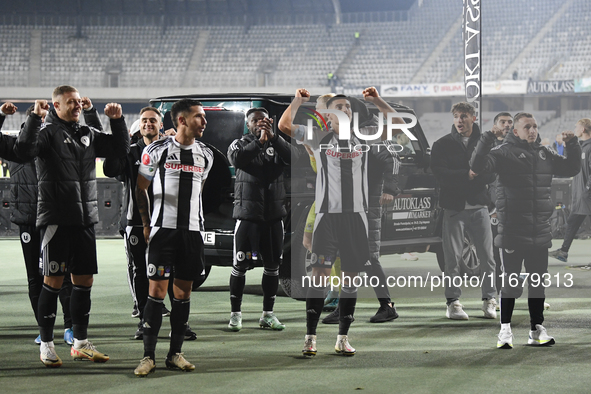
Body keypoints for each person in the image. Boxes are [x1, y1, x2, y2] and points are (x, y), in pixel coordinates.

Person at [279, 87, 403, 356]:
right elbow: (284, 125)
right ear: (328, 115)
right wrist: (299, 101)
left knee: (350, 279)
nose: (345, 110)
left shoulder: (365, 139)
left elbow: (399, 125)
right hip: (327, 219)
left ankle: (342, 338)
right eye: (339, 107)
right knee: (319, 278)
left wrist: (377, 101)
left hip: (356, 220)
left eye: (348, 107)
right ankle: (310, 337)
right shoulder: (317, 137)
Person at [14, 85, 130, 368]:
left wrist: (116, 121)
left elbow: (119, 149)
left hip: (84, 219)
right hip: (55, 220)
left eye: (79, 102)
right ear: (56, 105)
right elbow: (23, 150)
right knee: (52, 283)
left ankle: (80, 344)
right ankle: (47, 344)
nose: (77, 105)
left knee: (84, 282)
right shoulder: (46, 133)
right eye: (71, 102)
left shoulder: (86, 133)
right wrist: (33, 118)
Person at [470, 112, 581, 349]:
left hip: (540, 231)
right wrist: (488, 137)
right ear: (516, 131)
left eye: (535, 126)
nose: (532, 130)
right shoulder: (502, 153)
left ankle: (536, 330)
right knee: (510, 283)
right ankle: (505, 330)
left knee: (538, 283)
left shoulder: (545, 153)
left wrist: (571, 144)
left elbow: (571, 168)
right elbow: (477, 165)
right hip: (511, 230)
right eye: (527, 127)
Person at [7, 101, 101, 345]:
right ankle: (44, 328)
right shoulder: (19, 146)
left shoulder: (54, 142)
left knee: (64, 276)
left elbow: (96, 144)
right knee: (36, 278)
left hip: (54, 218)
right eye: (35, 122)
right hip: (29, 220)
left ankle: (70, 326)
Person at [134, 99, 213, 377]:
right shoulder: (156, 150)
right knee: (155, 293)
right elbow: (140, 187)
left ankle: (174, 354)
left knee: (183, 294)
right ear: (182, 120)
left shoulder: (206, 154)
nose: (204, 122)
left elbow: (198, 190)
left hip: (191, 233)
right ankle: (147, 357)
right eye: (199, 117)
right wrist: (146, 223)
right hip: (162, 232)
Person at [103, 107, 195, 340]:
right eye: (143, 121)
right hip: (136, 222)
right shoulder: (130, 152)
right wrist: (119, 143)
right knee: (141, 272)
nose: (147, 124)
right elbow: (110, 169)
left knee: (173, 273)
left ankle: (180, 324)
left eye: (152, 121)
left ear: (160, 125)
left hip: (167, 220)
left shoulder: (171, 150)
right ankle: (145, 321)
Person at [226, 107, 297, 332]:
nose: (260, 123)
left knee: (272, 267)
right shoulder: (239, 143)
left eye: (264, 120)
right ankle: (235, 314)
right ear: (248, 124)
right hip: (248, 217)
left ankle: (268, 315)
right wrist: (259, 142)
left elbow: (294, 158)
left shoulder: (277, 144)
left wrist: (274, 139)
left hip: (274, 217)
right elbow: (238, 160)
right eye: (256, 121)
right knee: (239, 266)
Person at [430, 102, 498, 320]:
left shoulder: (485, 142)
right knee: (452, 259)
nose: (460, 120)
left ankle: (489, 300)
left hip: (480, 207)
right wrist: (466, 175)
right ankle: (452, 302)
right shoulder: (441, 144)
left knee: (488, 258)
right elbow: (440, 175)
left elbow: (492, 173)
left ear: (473, 118)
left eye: (464, 116)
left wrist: (476, 175)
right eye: (457, 116)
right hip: (453, 208)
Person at [548, 118, 591, 263]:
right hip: (581, 196)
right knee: (572, 222)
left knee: (573, 222)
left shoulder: (589, 147)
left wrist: (587, 189)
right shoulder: (581, 147)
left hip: (586, 195)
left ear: (583, 129)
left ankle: (563, 251)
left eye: (577, 127)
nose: (575, 129)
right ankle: (563, 251)